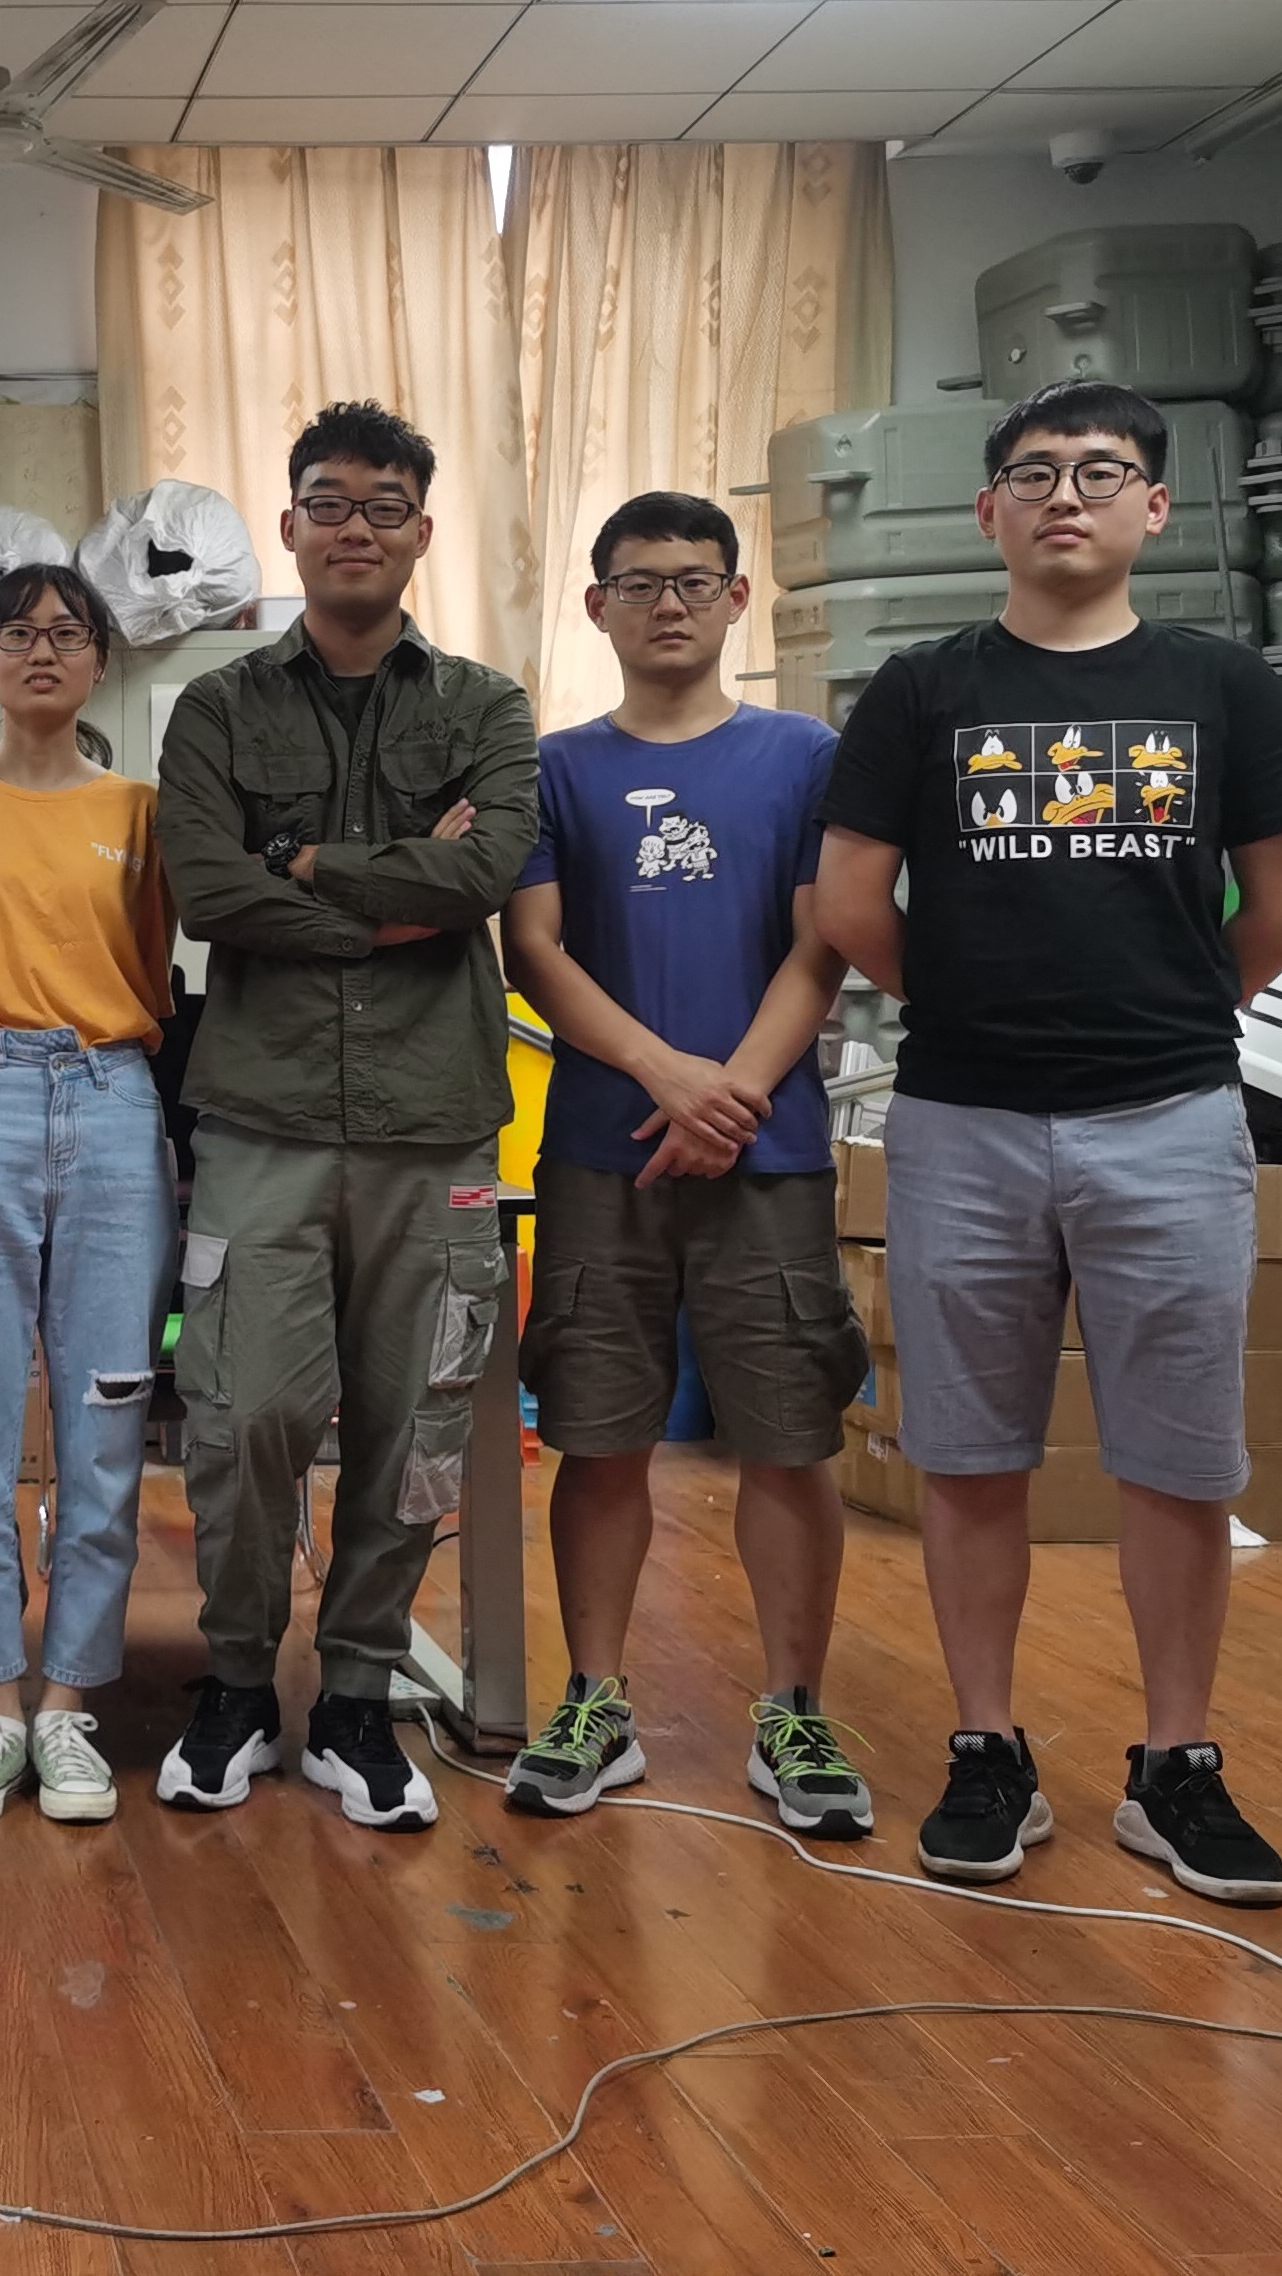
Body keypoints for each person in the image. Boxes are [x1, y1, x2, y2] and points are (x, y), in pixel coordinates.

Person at [813, 378, 1282, 1906]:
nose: (1065, 496)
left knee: (1179, 1462)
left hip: (1171, 1119)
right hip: (962, 1124)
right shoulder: (921, 690)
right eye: (1033, 474)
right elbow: (848, 903)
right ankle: (988, 1750)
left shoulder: (1222, 685)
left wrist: (1166, 1012)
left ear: (1153, 508)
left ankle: (1177, 1766)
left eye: (1101, 473)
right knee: (971, 1455)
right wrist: (973, 1005)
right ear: (988, 512)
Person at [152, 400, 538, 1831]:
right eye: (329, 502)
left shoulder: (487, 706)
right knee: (245, 1411)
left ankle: (361, 1693)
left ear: (422, 531)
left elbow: (486, 873)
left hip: (435, 1120)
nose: (355, 527)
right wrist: (392, 902)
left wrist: (306, 866)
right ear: (291, 525)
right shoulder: (217, 708)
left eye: (384, 506)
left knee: (414, 1422)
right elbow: (209, 894)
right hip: (260, 1115)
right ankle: (239, 1681)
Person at [497, 490, 870, 1836]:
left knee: (788, 1437)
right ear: (596, 605)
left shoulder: (804, 754)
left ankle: (795, 1710)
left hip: (770, 1155)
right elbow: (533, 949)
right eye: (642, 582)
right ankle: (595, 1698)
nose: (670, 603)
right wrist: (669, 1077)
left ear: (737, 600)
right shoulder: (553, 768)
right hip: (604, 1153)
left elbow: (824, 941)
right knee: (597, 1437)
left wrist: (737, 1091)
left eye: (696, 581)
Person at [0, 564, 176, 1830]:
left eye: (68, 632)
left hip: (114, 1101)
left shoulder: (143, 810)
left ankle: (69, 1705)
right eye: (15, 633)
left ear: (101, 662)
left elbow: (158, 970)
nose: (41, 651)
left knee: (105, 1417)